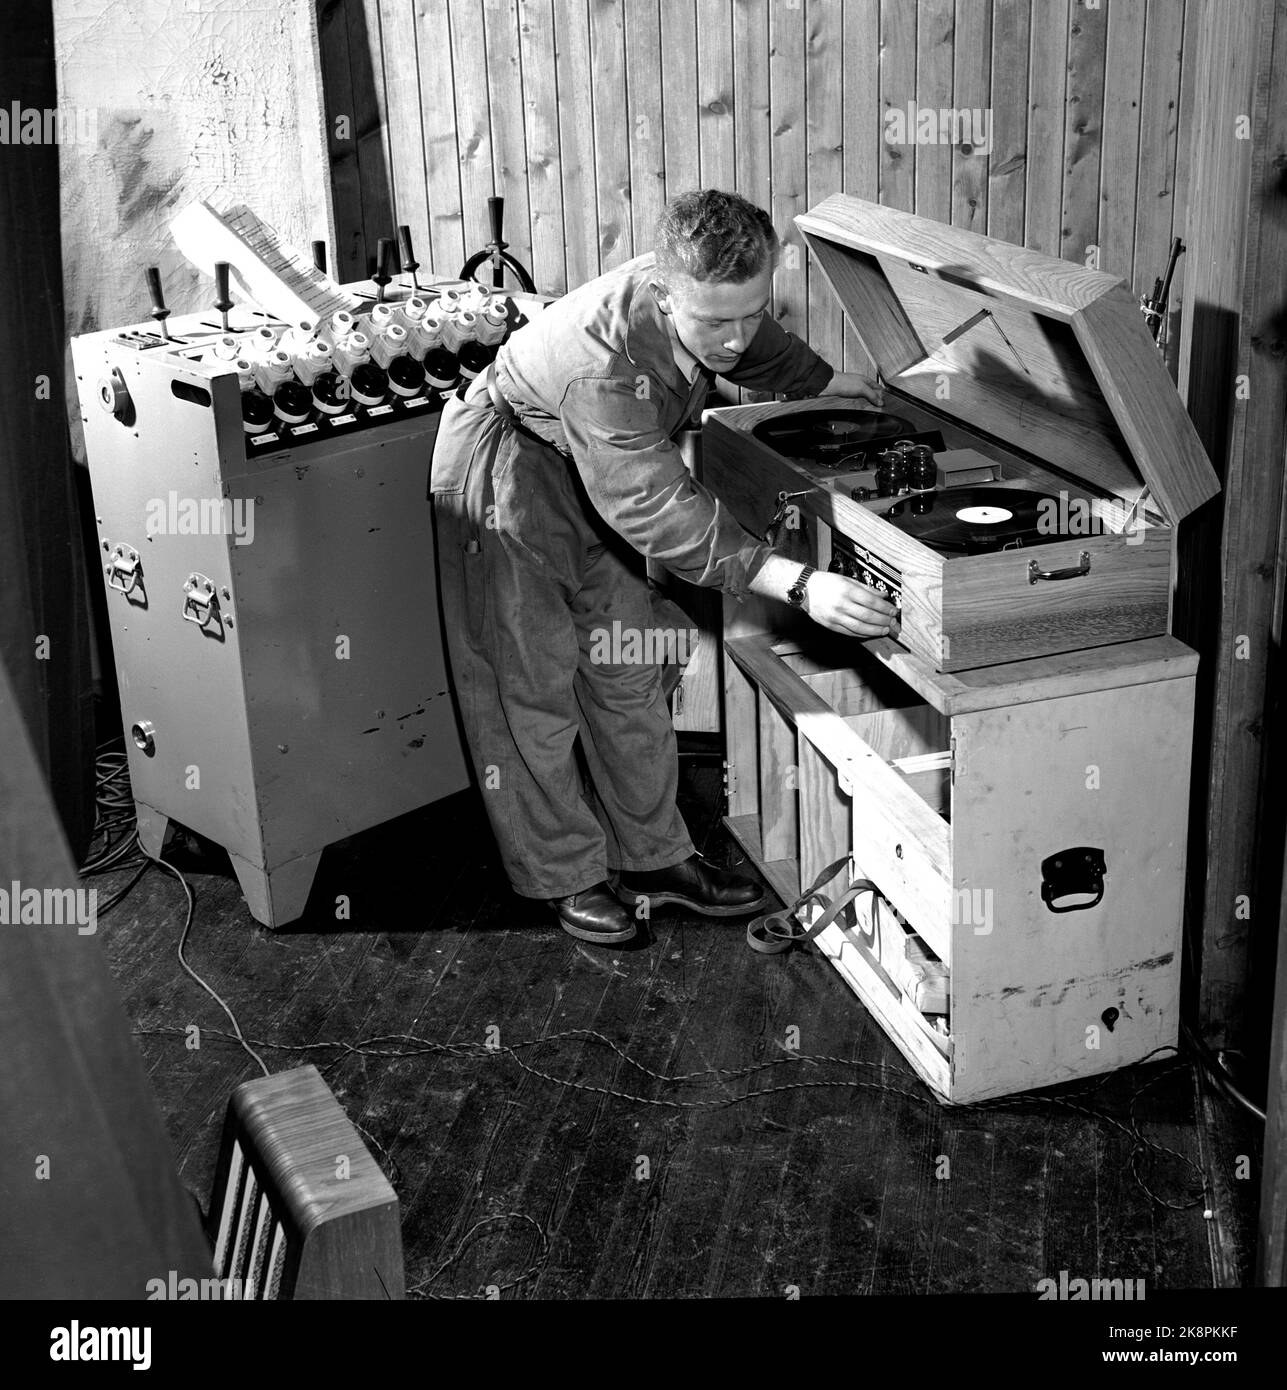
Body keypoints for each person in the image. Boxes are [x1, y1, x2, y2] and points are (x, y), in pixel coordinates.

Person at [430, 189, 896, 947]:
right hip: (508, 474)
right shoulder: (603, 369)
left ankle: (653, 860)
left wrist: (822, 381)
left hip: (603, 468)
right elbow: (652, 507)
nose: (735, 340)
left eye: (752, 311)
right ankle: (567, 876)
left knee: (628, 669)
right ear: (660, 290)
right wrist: (797, 582)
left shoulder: (716, 303)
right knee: (530, 688)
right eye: (714, 322)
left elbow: (756, 343)